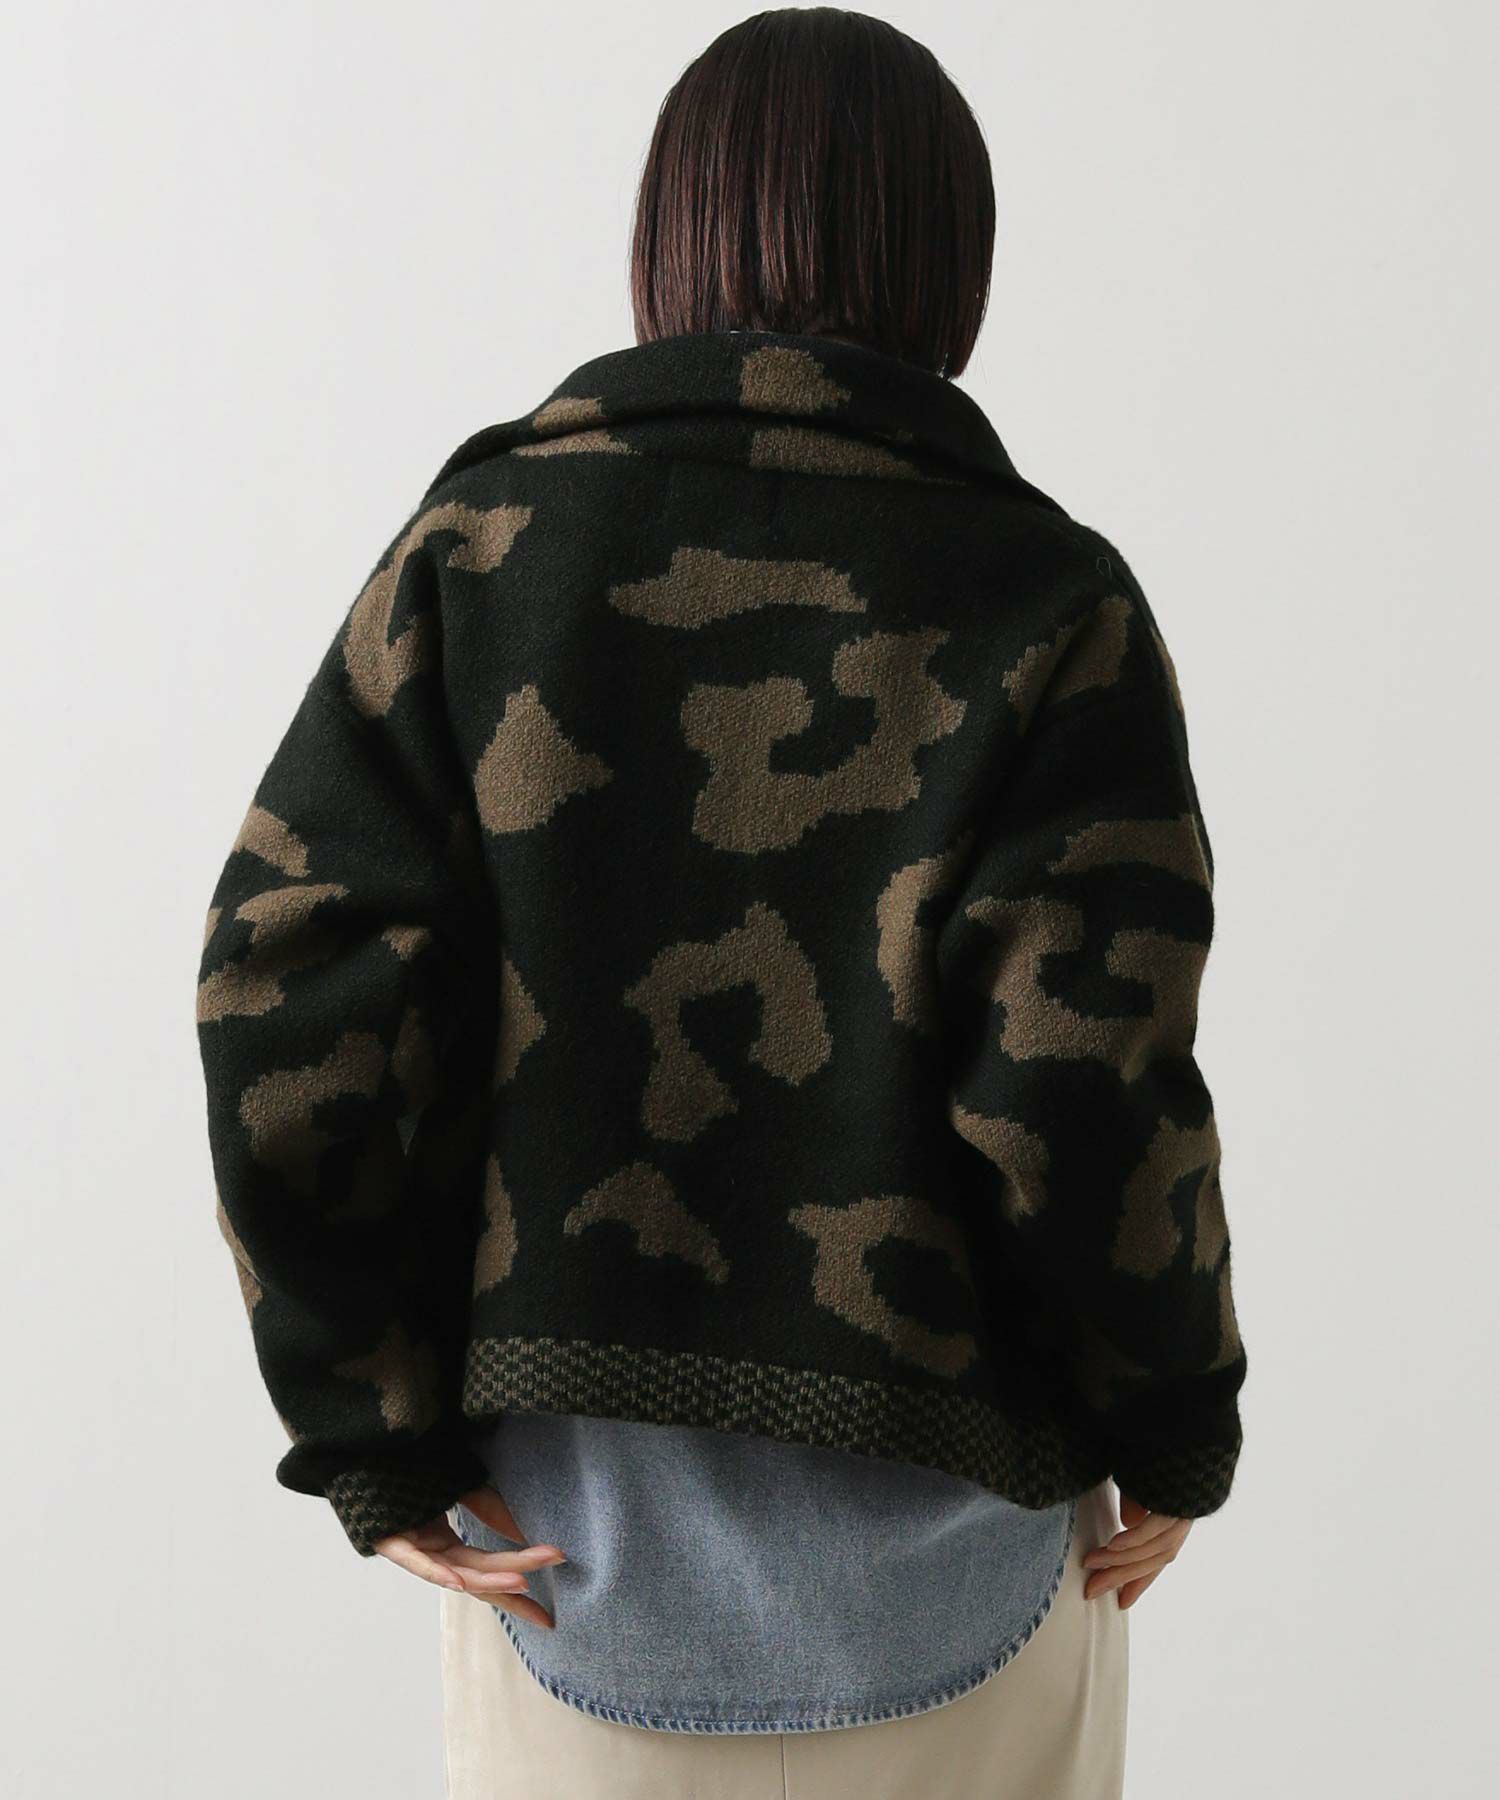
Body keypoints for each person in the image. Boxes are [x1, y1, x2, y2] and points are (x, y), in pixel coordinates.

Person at [194, 9, 1248, 1797]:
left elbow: (286, 993)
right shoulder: (1051, 604)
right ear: (957, 267)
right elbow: (1081, 1078)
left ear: (665, 243)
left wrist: (370, 1426)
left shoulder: (482, 554)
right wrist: (1174, 1413)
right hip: (972, 1583)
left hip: (569, 1569)